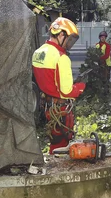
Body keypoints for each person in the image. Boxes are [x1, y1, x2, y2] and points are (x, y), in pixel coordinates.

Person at [32, 17, 86, 153]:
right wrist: (80, 87)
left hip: (47, 106)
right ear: (61, 35)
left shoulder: (38, 53)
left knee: (54, 139)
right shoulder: (61, 57)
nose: (69, 43)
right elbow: (67, 91)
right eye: (69, 39)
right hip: (60, 108)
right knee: (61, 144)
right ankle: (56, 169)